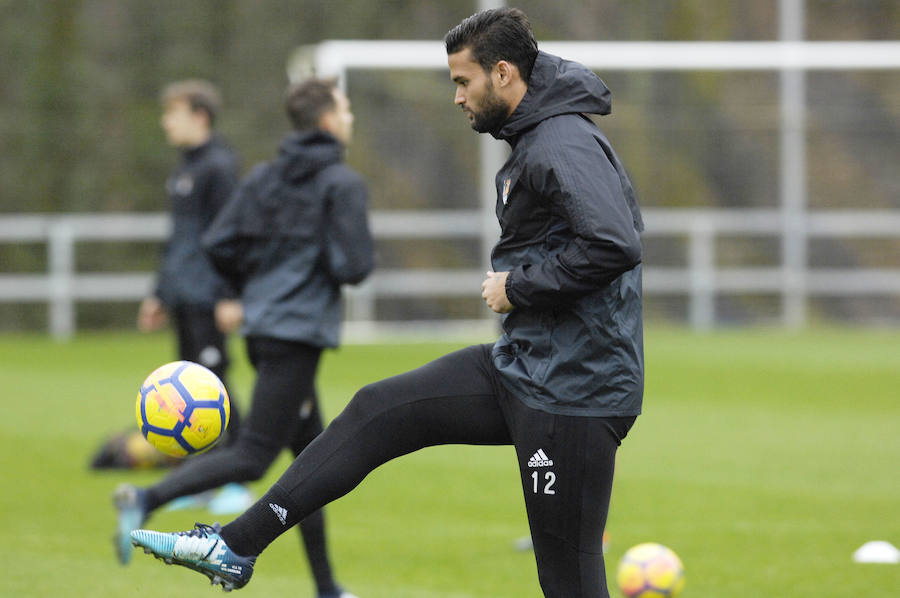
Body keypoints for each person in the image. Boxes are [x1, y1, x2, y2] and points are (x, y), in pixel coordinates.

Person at [129, 8, 644, 598]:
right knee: (378, 409)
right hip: (530, 366)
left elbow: (613, 243)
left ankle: (235, 545)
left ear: (503, 74)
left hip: (575, 390)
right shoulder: (535, 135)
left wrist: (517, 287)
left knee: (569, 583)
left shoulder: (561, 141)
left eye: (462, 81)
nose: (456, 96)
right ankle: (235, 546)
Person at [117, 78, 373, 598]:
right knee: (256, 455)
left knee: (313, 465)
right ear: (327, 121)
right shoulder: (341, 184)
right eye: (345, 109)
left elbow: (219, 242)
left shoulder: (265, 176)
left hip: (264, 329)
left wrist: (250, 284)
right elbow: (355, 266)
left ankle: (327, 588)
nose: (349, 117)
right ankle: (146, 500)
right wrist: (311, 259)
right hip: (295, 335)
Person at [136, 79, 244, 447]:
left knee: (212, 386)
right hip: (184, 293)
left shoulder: (219, 167)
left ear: (199, 116)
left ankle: (237, 474)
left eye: (173, 113)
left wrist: (229, 294)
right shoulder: (184, 169)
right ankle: (203, 477)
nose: (166, 122)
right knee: (185, 393)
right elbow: (178, 240)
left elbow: (231, 236)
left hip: (209, 296)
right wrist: (159, 294)